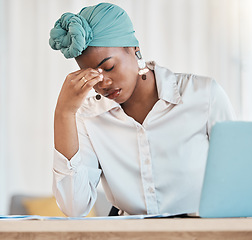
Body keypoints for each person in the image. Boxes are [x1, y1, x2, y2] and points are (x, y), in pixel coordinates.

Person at [49, 2, 236, 217]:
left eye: (109, 67)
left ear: (134, 49)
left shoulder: (203, 96)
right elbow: (74, 208)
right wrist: (63, 114)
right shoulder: (89, 118)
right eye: (91, 75)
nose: (104, 83)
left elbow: (235, 178)